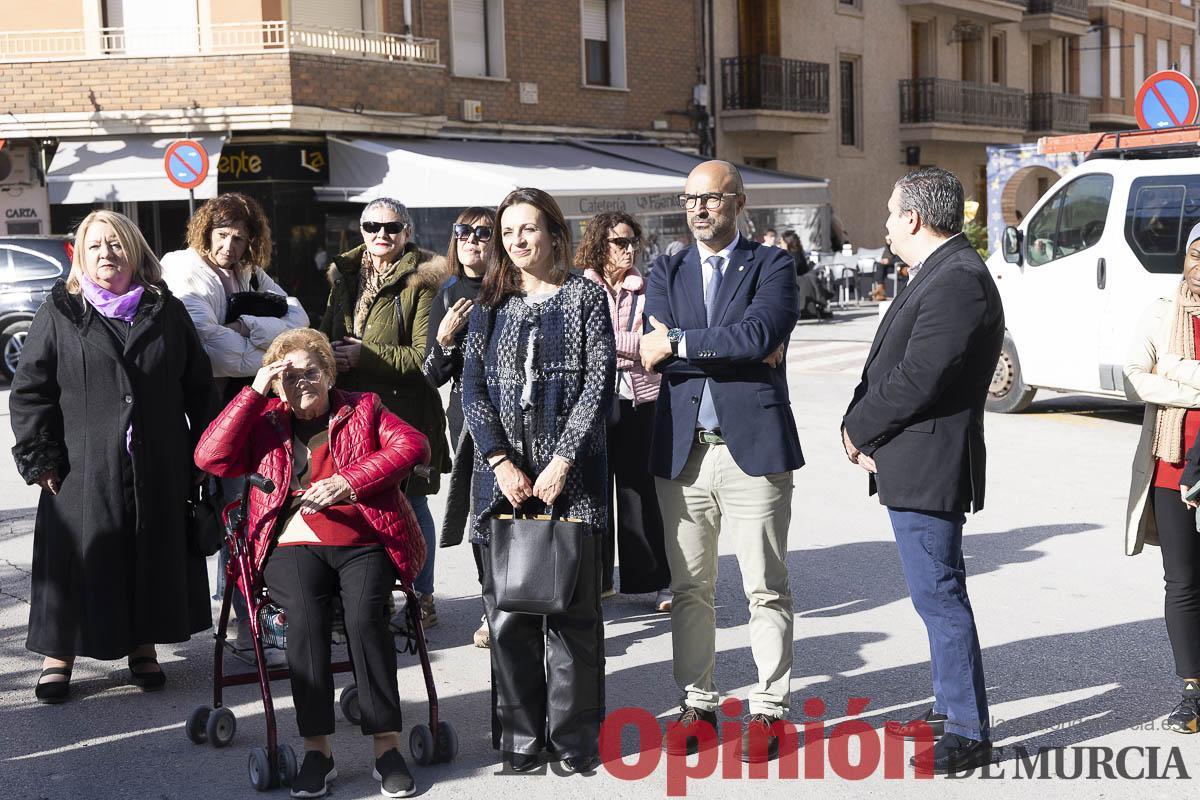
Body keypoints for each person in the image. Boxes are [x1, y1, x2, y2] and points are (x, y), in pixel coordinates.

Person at [195, 328, 429, 800]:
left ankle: (387, 748)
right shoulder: (263, 419)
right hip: (289, 543)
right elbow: (210, 456)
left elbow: (414, 446)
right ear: (276, 380)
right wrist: (255, 390)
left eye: (312, 371)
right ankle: (317, 749)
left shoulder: (364, 408)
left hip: (362, 535)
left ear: (330, 371)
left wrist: (349, 481)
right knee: (304, 619)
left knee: (366, 616)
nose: (302, 382)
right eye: (290, 375)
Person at [10, 209, 218, 703]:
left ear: (134, 252)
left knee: (147, 551)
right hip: (81, 465)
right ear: (81, 255)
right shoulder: (61, 311)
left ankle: (141, 647)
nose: (106, 254)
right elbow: (30, 390)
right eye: (95, 246)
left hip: (159, 462)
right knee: (75, 560)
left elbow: (198, 388)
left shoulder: (165, 310)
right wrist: (41, 457)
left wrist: (204, 456)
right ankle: (57, 655)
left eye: (116, 244)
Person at [841, 167, 1004, 774]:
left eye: (889, 214)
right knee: (932, 593)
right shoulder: (941, 271)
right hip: (915, 459)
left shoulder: (957, 278)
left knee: (939, 596)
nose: (885, 225)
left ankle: (967, 730)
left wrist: (859, 427)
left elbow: (920, 376)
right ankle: (948, 703)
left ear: (913, 218)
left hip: (930, 463)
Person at [640, 160, 801, 763]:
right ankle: (698, 703)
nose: (698, 209)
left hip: (750, 450)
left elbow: (760, 335)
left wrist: (682, 342)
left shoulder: (772, 264)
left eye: (710, 198)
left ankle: (768, 709)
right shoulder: (666, 267)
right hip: (683, 453)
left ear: (738, 201)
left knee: (765, 587)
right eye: (689, 200)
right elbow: (667, 351)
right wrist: (724, 346)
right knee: (690, 588)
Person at [461, 187, 614, 774]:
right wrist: (500, 460)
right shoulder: (489, 303)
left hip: (569, 480)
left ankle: (575, 743)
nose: (517, 241)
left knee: (574, 622)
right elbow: (471, 389)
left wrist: (561, 463)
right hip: (500, 481)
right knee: (509, 618)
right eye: (507, 232)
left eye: (528, 229)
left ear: (553, 233)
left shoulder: (584, 297)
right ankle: (521, 742)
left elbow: (597, 386)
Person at [161, 192, 308, 661]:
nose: (229, 245)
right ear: (205, 231)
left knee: (266, 511)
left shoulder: (249, 274)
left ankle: (261, 621)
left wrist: (244, 327)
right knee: (239, 516)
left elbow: (299, 323)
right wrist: (263, 347)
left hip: (258, 407)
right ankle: (248, 627)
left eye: (239, 238)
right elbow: (210, 346)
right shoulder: (185, 269)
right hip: (216, 410)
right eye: (222, 235)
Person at [320, 197, 451, 630]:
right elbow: (327, 332)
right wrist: (328, 357)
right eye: (372, 226)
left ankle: (421, 596)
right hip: (351, 410)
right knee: (361, 503)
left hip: (404, 410)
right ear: (360, 229)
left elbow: (423, 357)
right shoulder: (345, 273)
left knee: (411, 502)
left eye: (392, 228)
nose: (381, 234)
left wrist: (363, 356)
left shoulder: (424, 280)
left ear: (407, 232)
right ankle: (373, 596)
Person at [1126, 222, 1200, 735]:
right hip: (1171, 468)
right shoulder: (1158, 314)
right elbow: (1136, 375)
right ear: (1185, 260)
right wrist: (1193, 389)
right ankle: (1192, 691)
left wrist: (1176, 368)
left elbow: (1162, 370)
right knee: (1184, 584)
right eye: (1197, 255)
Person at [577, 210, 672, 610]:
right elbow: (578, 341)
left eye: (634, 241)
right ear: (600, 244)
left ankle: (655, 581)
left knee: (640, 492)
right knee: (592, 492)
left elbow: (657, 343)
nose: (630, 249)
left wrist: (611, 343)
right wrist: (628, 343)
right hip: (591, 400)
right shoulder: (580, 287)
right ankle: (597, 580)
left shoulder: (649, 289)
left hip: (640, 399)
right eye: (620, 242)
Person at [423, 206, 496, 648]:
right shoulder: (448, 293)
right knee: (482, 514)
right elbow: (432, 375)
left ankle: (527, 600)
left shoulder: (514, 287)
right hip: (467, 415)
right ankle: (493, 610)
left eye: (482, 232)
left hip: (517, 411)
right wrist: (446, 339)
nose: (471, 239)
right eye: (463, 231)